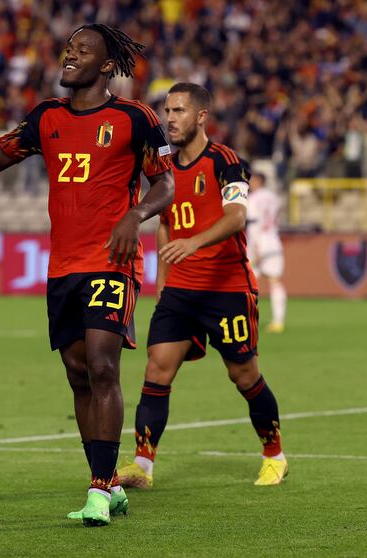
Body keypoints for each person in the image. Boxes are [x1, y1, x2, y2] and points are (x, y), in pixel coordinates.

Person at [0, 23, 174, 526]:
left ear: (106, 65)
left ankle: (97, 489)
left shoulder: (136, 118)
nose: (70, 55)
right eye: (68, 49)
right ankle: (110, 484)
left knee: (103, 365)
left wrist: (135, 215)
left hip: (112, 260)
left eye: (82, 50)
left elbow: (165, 185)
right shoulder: (46, 117)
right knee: (77, 373)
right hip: (63, 265)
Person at [117, 83, 287, 490]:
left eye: (178, 111)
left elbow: (236, 216)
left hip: (227, 288)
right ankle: (143, 464)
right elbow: (164, 224)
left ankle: (274, 455)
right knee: (157, 368)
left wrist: (193, 242)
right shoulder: (163, 168)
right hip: (181, 291)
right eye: (167, 111)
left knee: (243, 375)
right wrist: (163, 279)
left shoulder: (227, 162)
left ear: (200, 117)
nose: (170, 118)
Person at [246, 172, 287, 333]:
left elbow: (254, 223)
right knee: (275, 281)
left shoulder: (253, 199)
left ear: (257, 181)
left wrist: (255, 248)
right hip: (273, 241)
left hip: (258, 243)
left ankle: (247, 318)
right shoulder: (273, 197)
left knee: (247, 282)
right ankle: (278, 321)